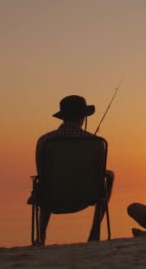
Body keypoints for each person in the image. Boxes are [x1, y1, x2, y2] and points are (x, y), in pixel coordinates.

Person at [33, 95, 115, 244]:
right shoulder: (97, 143)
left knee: (42, 181)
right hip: (88, 195)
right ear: (83, 117)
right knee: (109, 175)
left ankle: (41, 238)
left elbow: (41, 171)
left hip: (52, 197)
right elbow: (98, 173)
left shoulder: (45, 141)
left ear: (63, 117)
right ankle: (94, 233)